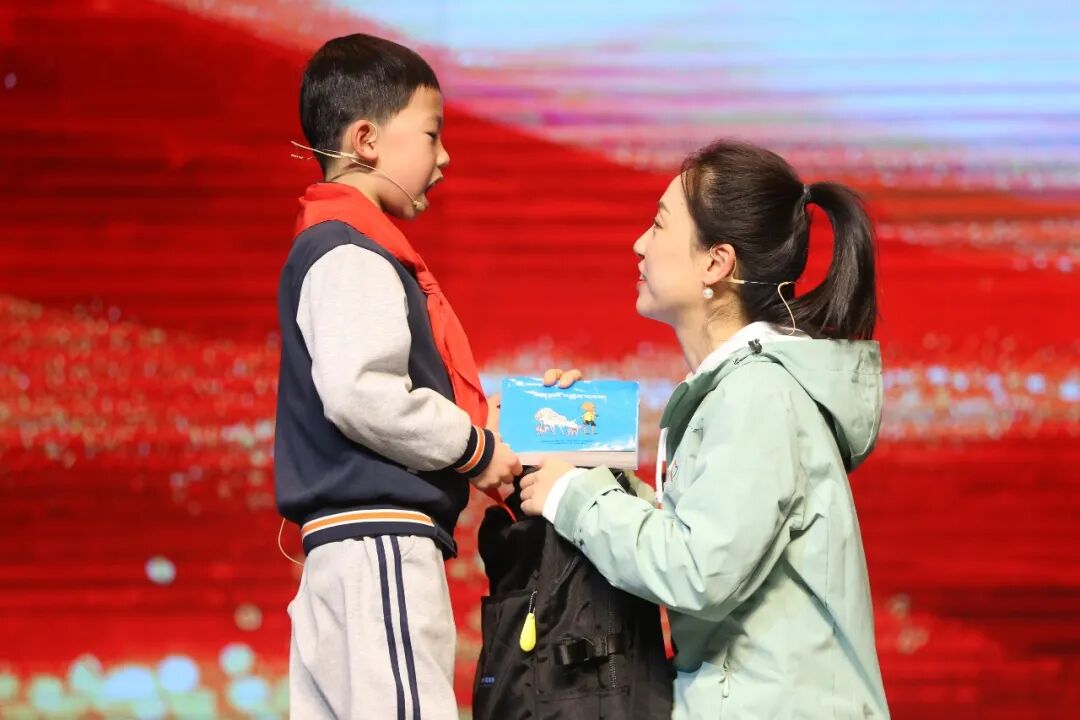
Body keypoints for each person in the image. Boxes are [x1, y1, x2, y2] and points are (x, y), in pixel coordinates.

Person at [520, 140, 891, 719]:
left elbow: (699, 570)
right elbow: (706, 541)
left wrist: (574, 494)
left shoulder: (758, 394)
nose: (639, 244)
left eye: (659, 224)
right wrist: (590, 471)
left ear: (716, 263)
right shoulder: (740, 390)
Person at [274, 34, 520, 720]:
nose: (444, 157)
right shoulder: (351, 250)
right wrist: (478, 449)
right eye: (432, 134)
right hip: (378, 543)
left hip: (347, 551)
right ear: (367, 140)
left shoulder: (337, 243)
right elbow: (364, 393)